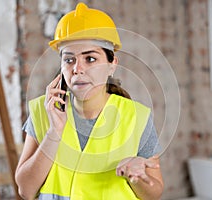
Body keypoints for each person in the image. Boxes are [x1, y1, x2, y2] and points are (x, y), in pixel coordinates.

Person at [15, 2, 163, 200]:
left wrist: (138, 178)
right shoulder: (44, 111)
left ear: (112, 65)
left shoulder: (137, 117)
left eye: (90, 59)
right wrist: (54, 133)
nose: (77, 69)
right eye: (69, 60)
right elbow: (25, 190)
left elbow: (153, 194)